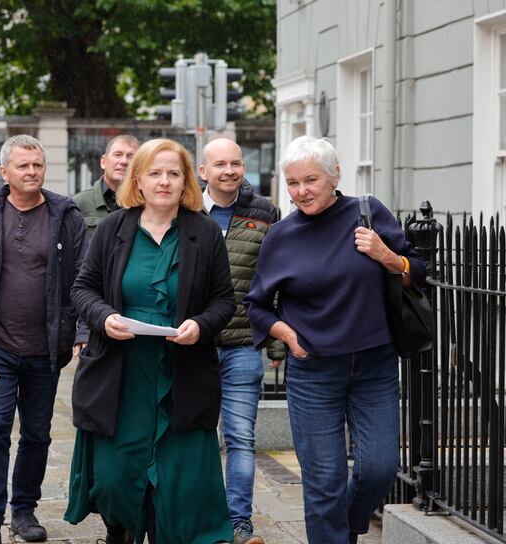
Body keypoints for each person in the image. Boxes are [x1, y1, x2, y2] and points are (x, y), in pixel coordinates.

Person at [244, 136, 426, 544]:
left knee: (379, 468)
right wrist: (286, 334)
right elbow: (255, 306)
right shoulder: (281, 236)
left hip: (375, 364)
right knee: (324, 481)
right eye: (292, 183)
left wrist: (386, 256)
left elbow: (419, 271)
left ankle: (345, 528)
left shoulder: (367, 213)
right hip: (313, 371)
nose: (301, 191)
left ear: (334, 176)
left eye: (310, 180)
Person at [64, 138, 237, 544]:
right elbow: (82, 289)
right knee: (113, 480)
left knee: (178, 487)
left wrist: (200, 325)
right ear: (138, 180)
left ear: (186, 181)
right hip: (120, 376)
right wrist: (104, 318)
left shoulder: (205, 232)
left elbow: (224, 300)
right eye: (155, 173)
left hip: (183, 374)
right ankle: (120, 530)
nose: (164, 181)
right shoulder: (113, 228)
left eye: (173, 173)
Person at [0, 134, 87, 544]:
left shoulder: (66, 215)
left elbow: (86, 277)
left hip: (46, 347)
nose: (31, 172)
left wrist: (81, 330)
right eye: (22, 166)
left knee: (37, 433)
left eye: (37, 165)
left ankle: (24, 511)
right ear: (4, 172)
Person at [199, 138, 285, 544]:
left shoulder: (265, 212)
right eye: (220, 164)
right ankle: (198, 517)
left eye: (236, 163)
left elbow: (277, 281)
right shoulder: (187, 211)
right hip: (192, 345)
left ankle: (239, 523)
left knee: (240, 437)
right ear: (204, 172)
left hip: (241, 344)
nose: (229, 171)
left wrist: (276, 344)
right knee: (193, 437)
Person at [73, 134, 140, 237]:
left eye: (131, 156)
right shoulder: (80, 203)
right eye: (117, 154)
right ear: (103, 162)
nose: (124, 161)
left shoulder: (144, 203)